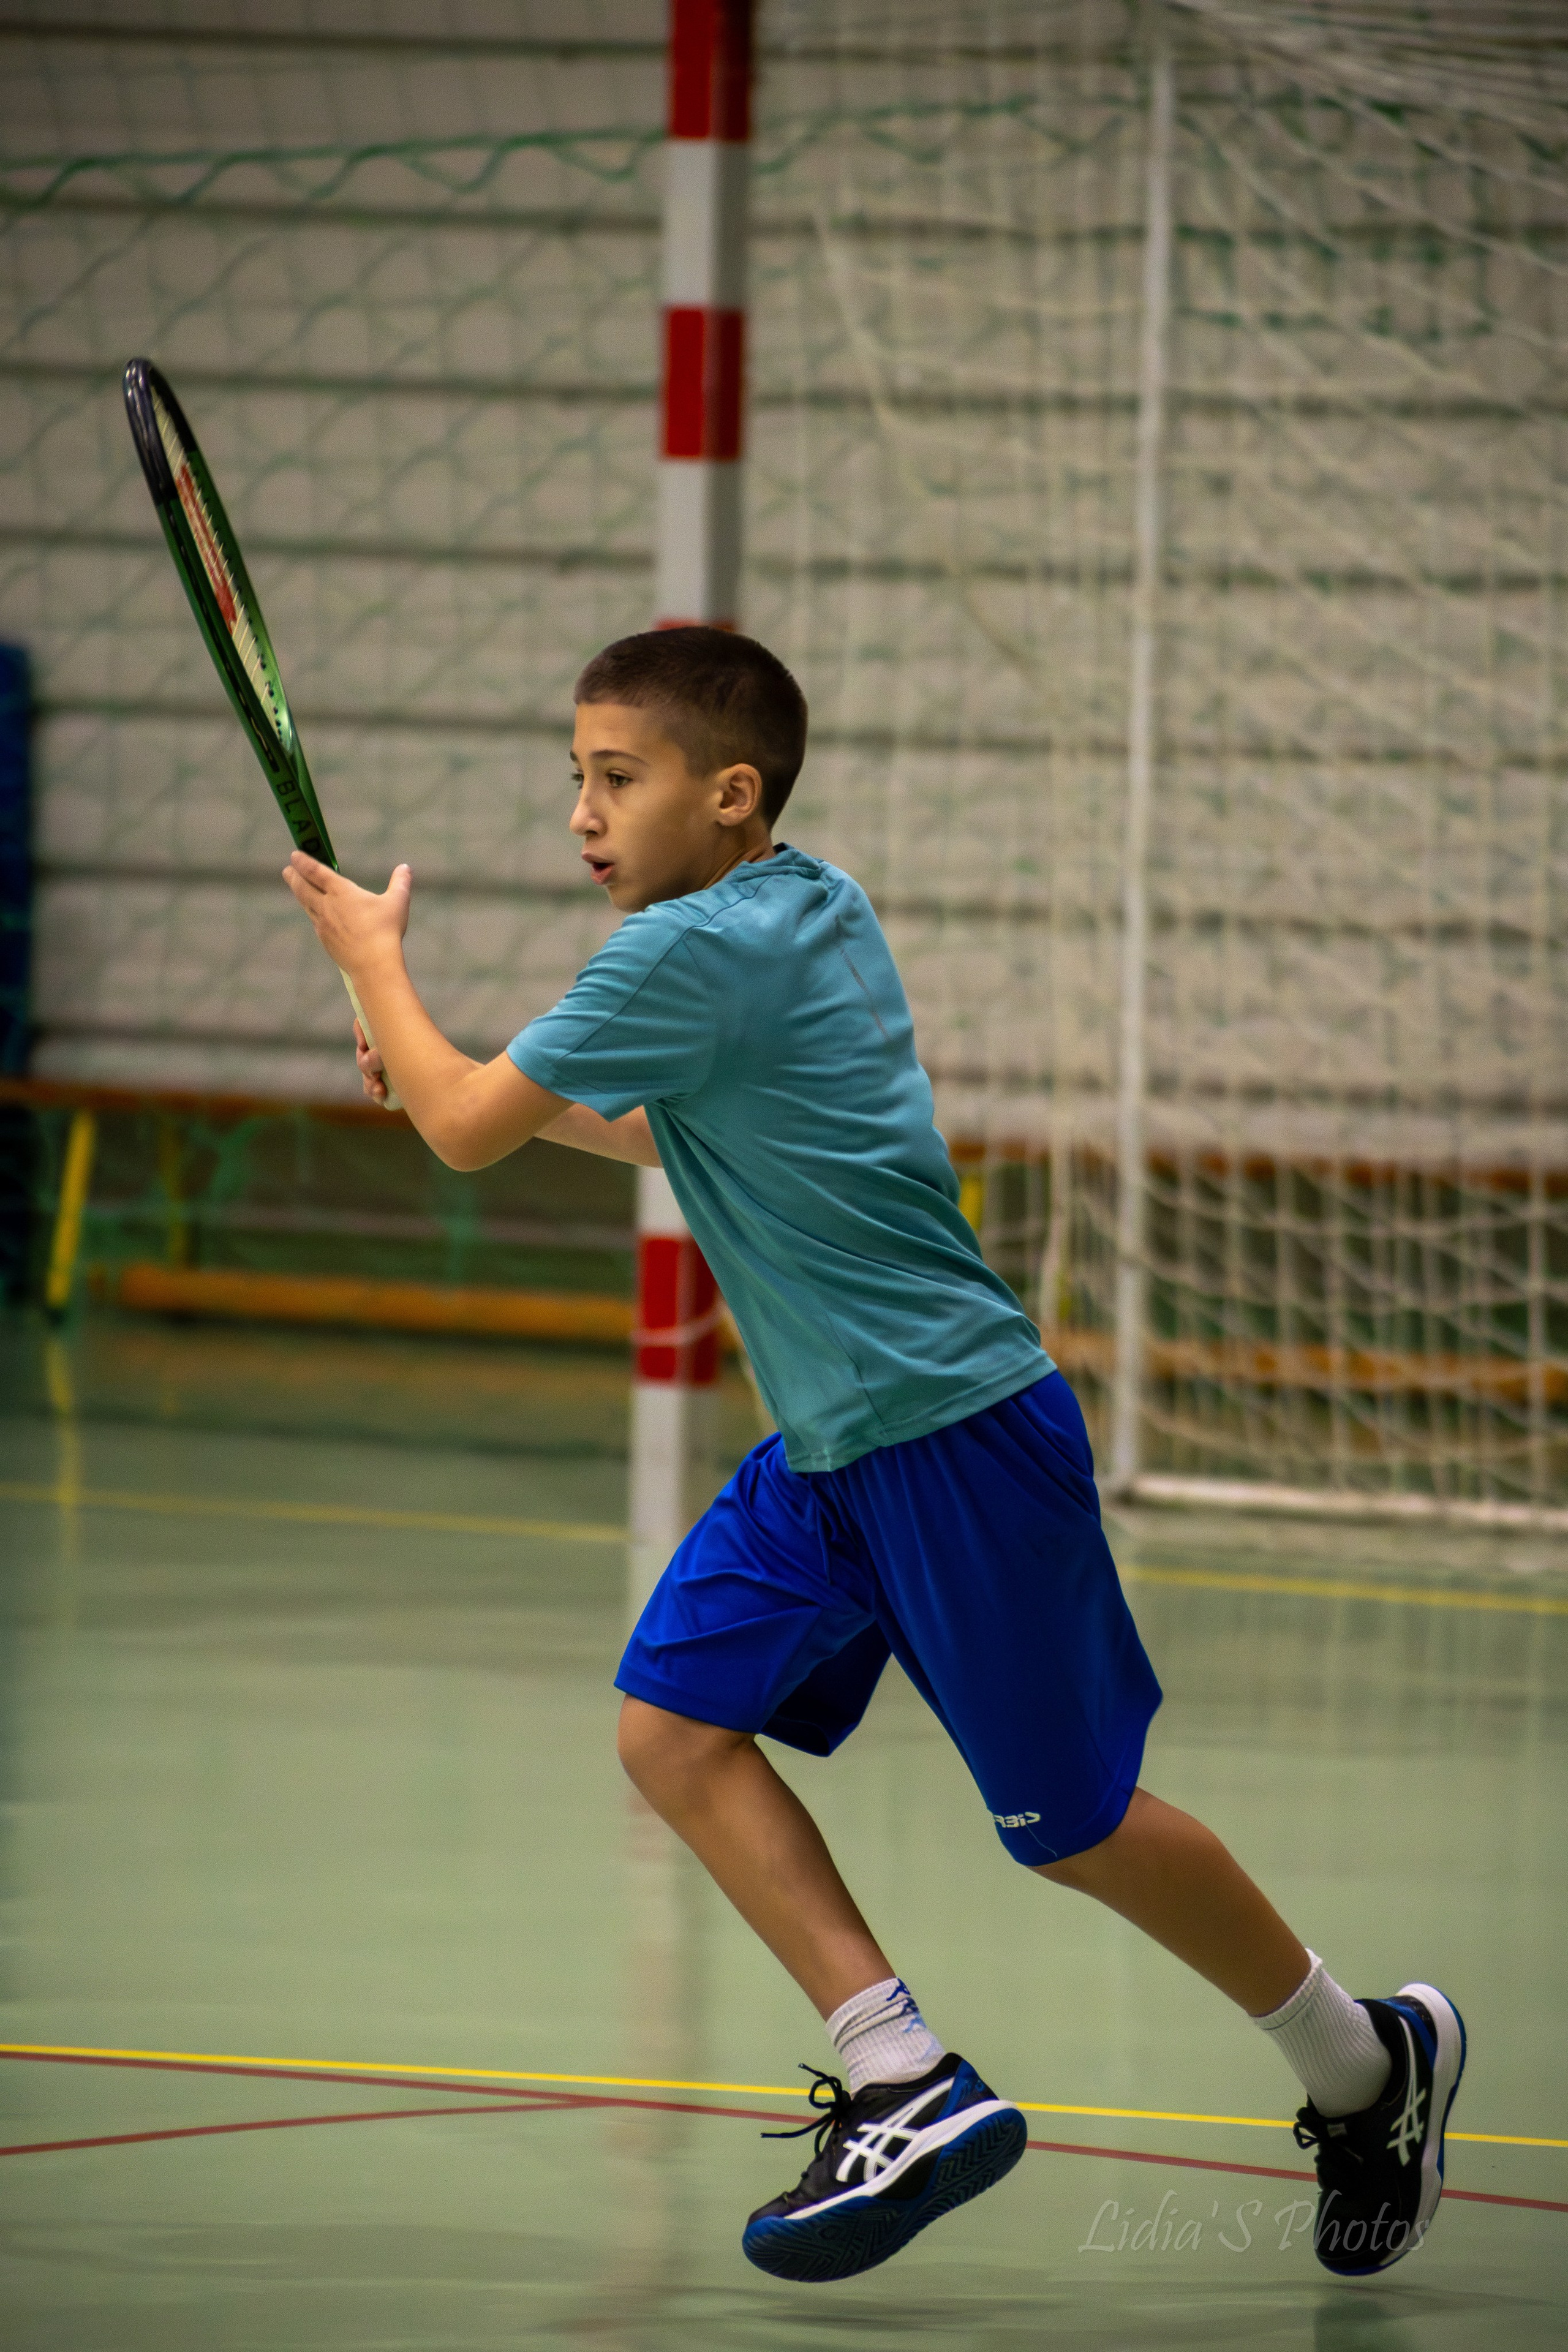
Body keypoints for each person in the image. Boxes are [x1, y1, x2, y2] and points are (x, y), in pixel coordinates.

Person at [283, 626, 1466, 2286]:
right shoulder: (804, 906)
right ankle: (903, 2072)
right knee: (673, 1727)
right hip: (833, 1454)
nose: (583, 816)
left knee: (1076, 1827)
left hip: (955, 1437)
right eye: (576, 779)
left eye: (617, 779)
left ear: (732, 793)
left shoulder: (680, 953)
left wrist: (377, 971)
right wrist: (459, 1074)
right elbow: (636, 1118)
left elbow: (469, 1129)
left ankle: (1367, 2062)